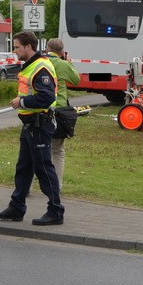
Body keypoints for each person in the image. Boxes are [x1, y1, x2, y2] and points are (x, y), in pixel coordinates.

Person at [0, 31, 65, 226]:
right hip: (31, 125)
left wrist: (22, 101)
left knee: (43, 168)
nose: (14, 51)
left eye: (16, 47)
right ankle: (16, 207)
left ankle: (56, 210)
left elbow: (47, 96)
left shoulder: (40, 67)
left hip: (40, 124)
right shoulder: (32, 65)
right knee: (23, 168)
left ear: (28, 47)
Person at [45, 38, 80, 189]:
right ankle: (56, 185)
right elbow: (76, 80)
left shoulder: (41, 62)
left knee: (38, 148)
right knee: (57, 150)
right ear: (62, 52)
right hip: (58, 109)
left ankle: (27, 184)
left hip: (41, 107)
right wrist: (69, 62)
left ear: (47, 49)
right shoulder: (63, 64)